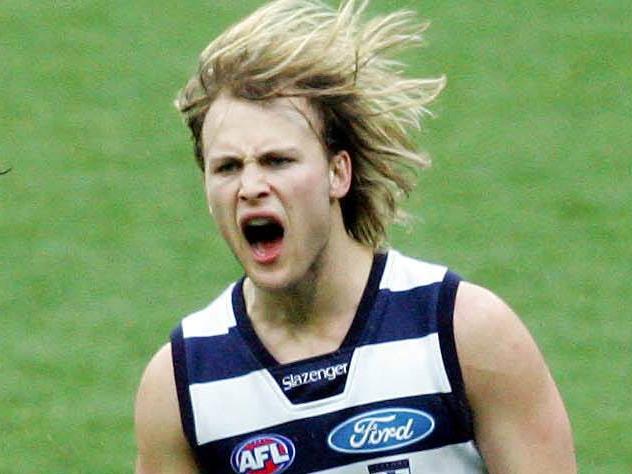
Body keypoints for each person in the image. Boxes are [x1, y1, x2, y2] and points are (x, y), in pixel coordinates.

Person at [134, 1, 576, 472]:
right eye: (227, 167)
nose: (250, 187)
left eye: (277, 161)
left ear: (337, 173)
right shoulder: (182, 383)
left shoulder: (463, 331)